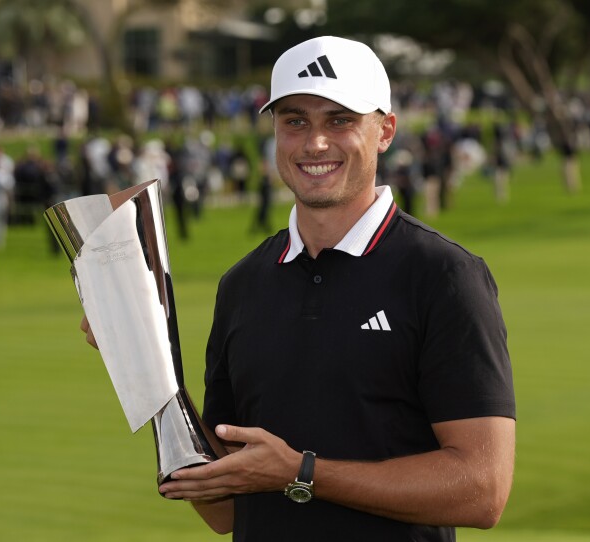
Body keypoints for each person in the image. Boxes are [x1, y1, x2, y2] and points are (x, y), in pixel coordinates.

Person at [82, 36, 515, 542]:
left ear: (385, 131)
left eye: (340, 120)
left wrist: (301, 473)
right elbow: (226, 511)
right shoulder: (243, 285)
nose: (314, 143)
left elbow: (482, 490)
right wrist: (141, 365)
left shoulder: (444, 276)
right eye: (295, 121)